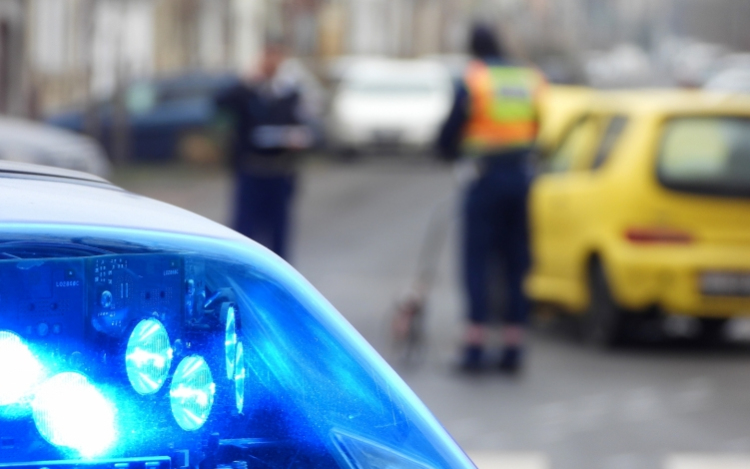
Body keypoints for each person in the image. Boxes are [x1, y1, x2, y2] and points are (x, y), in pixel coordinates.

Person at [437, 24, 545, 373]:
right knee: (515, 262)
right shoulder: (528, 77)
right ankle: (514, 347)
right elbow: (540, 125)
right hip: (521, 179)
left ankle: (475, 346)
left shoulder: (475, 79)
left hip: (485, 181)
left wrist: (450, 152)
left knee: (477, 263)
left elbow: (450, 133)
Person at [216, 40, 317, 261]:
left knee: (278, 231)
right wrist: (246, 82)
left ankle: (277, 273)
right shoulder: (247, 91)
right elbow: (220, 103)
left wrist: (296, 139)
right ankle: (243, 268)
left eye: (276, 59)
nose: (272, 64)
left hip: (280, 170)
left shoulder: (290, 93)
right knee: (245, 230)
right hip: (251, 169)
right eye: (267, 58)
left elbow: (305, 125)